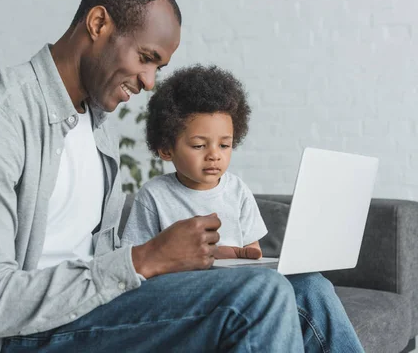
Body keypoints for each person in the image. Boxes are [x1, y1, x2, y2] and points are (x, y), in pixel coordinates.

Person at [0, 0, 345, 353]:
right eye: (146, 58)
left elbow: (106, 262)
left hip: (96, 309)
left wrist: (187, 265)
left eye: (158, 68)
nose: (150, 83)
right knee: (259, 296)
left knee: (309, 288)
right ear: (98, 24)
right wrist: (145, 258)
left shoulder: (97, 130)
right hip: (22, 336)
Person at [121, 64, 364, 353]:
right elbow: (137, 272)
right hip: (192, 295)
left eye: (225, 145)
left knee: (314, 286)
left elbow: (253, 256)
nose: (214, 155)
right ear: (166, 149)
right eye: (199, 146)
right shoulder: (154, 196)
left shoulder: (236, 190)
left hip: (243, 286)